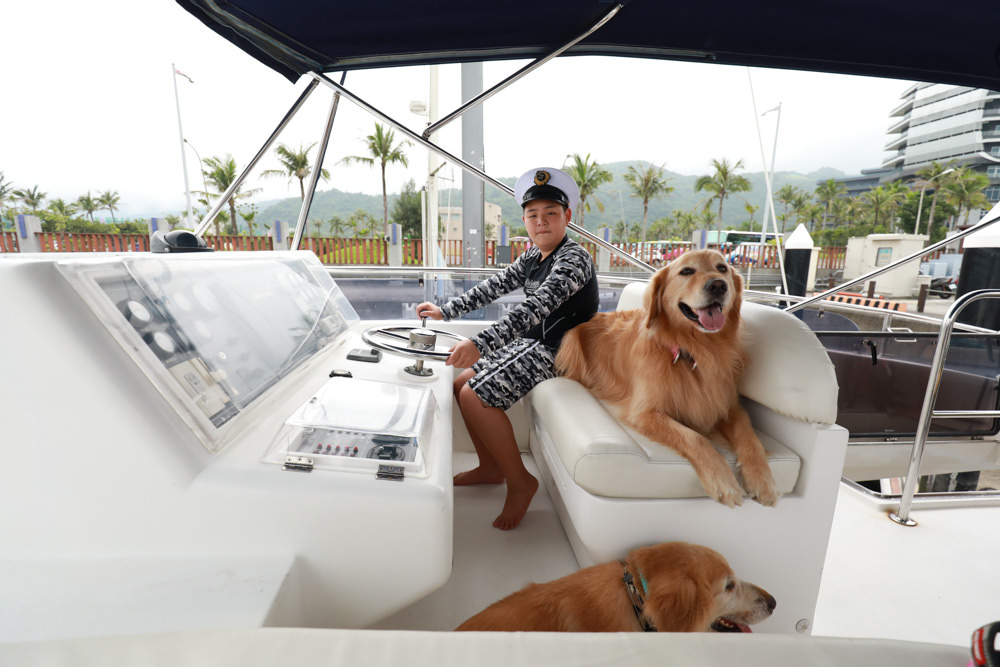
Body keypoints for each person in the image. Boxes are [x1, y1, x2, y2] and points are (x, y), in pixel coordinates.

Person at [416, 167, 599, 530]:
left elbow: (535, 308)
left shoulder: (573, 259)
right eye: (533, 215)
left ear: (568, 216)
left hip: (562, 351)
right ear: (526, 220)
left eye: (550, 213)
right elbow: (494, 286)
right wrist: (446, 311)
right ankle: (491, 467)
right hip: (535, 343)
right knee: (458, 384)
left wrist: (480, 344)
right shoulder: (533, 257)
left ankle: (521, 482)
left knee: (475, 396)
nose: (541, 222)